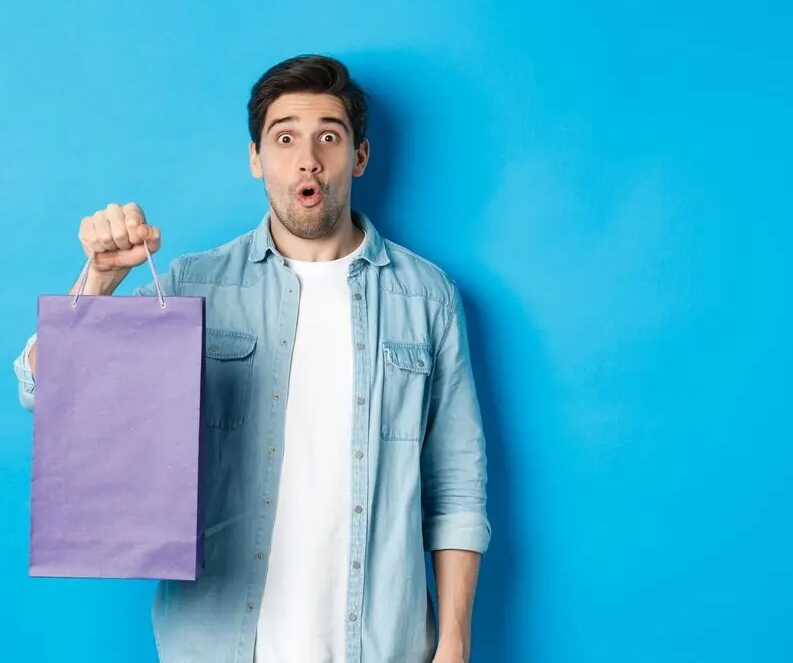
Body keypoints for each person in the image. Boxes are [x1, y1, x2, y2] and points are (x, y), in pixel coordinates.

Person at [11, 54, 490, 663]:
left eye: (329, 137)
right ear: (256, 158)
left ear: (360, 156)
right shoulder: (194, 285)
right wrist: (99, 280)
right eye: (284, 138)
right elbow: (44, 391)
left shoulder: (426, 298)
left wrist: (454, 645)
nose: (307, 158)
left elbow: (456, 487)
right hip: (218, 643)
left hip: (383, 645)